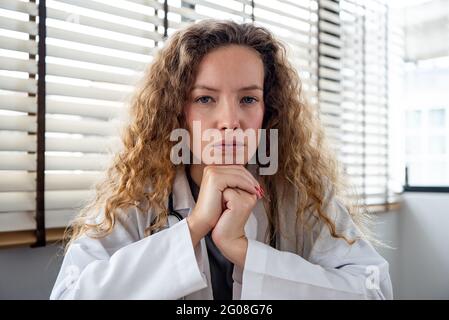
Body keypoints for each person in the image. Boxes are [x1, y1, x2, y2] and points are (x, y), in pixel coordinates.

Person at [50, 19, 393, 300]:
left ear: (268, 111)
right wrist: (194, 226)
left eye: (247, 98)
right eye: (204, 99)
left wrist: (244, 251)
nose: (230, 120)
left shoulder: (302, 193)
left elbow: (373, 291)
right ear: (177, 111)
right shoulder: (137, 196)